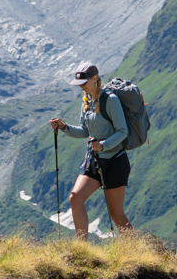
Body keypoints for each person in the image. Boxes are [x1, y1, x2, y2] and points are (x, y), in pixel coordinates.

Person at [50, 61, 132, 238]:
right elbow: (85, 131)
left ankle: (137, 252)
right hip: (94, 160)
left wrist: (103, 145)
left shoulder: (110, 100)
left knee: (116, 214)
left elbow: (123, 131)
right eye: (79, 84)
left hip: (115, 161)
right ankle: (82, 250)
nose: (81, 87)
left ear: (95, 79)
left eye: (84, 82)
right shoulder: (86, 100)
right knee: (75, 198)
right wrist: (64, 127)